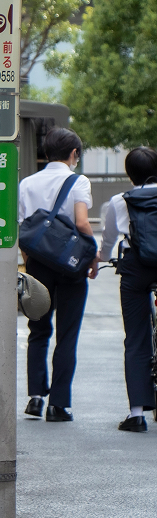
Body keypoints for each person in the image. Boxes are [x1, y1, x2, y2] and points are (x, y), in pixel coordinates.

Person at [17, 127, 96, 423]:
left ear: (46, 153)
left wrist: (31, 260)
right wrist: (93, 255)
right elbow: (82, 223)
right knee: (67, 334)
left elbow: (22, 229)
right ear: (74, 154)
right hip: (71, 266)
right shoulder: (78, 181)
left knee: (38, 331)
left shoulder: (27, 183)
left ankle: (36, 398)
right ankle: (58, 405)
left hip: (38, 265)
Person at [98, 146, 157, 432]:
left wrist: (100, 259)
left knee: (135, 337)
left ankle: (136, 415)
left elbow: (109, 238)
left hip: (135, 266)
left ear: (129, 173)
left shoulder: (119, 200)